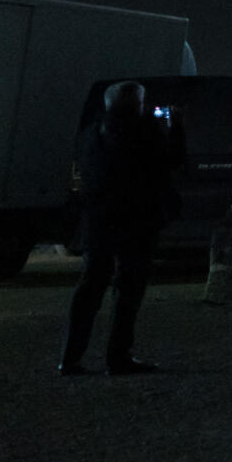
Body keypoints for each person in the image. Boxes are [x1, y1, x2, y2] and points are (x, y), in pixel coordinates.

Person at [60, 81, 180, 375]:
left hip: (99, 222)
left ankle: (71, 356)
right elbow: (171, 165)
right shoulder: (146, 133)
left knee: (90, 286)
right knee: (128, 290)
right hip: (137, 222)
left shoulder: (90, 135)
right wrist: (177, 128)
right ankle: (118, 355)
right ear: (137, 105)